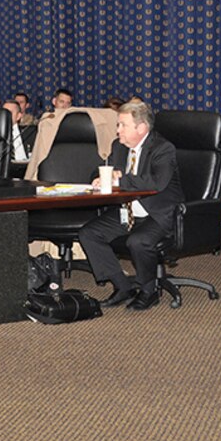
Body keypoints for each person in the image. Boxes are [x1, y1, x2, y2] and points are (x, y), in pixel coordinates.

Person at [79, 101, 184, 312]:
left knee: (138, 241)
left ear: (141, 128)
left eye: (122, 125)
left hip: (157, 213)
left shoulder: (163, 149)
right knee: (89, 233)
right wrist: (99, 178)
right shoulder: (119, 146)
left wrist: (121, 180)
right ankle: (123, 287)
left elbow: (157, 182)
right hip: (128, 212)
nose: (117, 130)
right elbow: (103, 169)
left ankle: (148, 290)